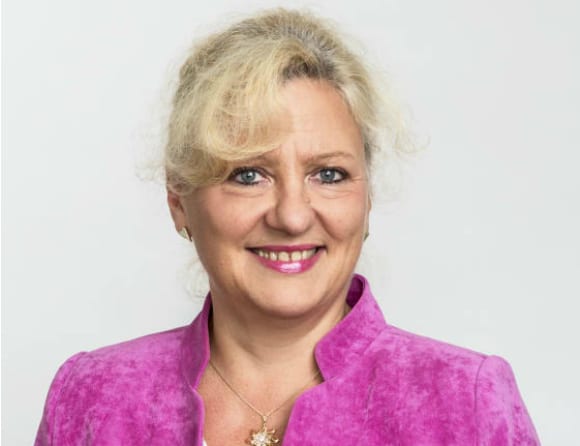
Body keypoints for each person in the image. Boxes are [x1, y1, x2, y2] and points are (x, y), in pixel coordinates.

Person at [35, 8, 540, 445]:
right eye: (248, 175)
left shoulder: (466, 400)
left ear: (366, 199)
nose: (293, 216)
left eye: (329, 174)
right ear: (179, 201)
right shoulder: (92, 396)